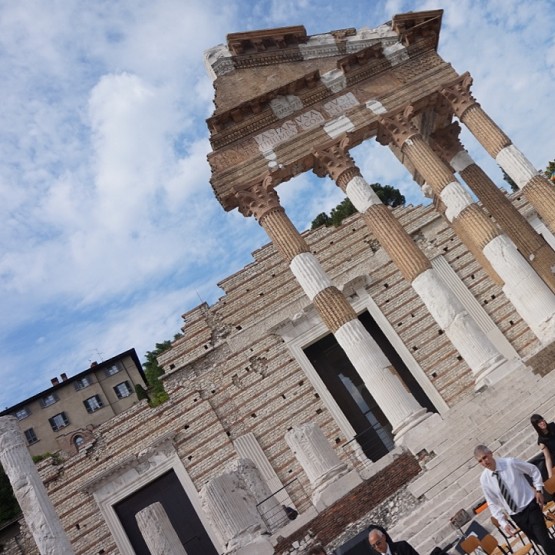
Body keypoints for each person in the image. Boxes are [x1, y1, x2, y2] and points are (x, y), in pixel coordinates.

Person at [474, 444, 555, 555]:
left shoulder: (509, 463)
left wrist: (539, 489)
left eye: (485, 457)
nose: (484, 462)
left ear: (490, 453)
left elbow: (533, 470)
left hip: (530, 506)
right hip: (516, 515)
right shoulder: (484, 480)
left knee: (544, 541)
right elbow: (492, 502)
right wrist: (502, 522)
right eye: (480, 461)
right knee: (539, 541)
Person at [531, 414, 555, 479]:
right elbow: (547, 458)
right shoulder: (541, 441)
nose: (542, 423)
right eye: (539, 423)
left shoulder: (553, 426)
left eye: (542, 420)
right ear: (536, 426)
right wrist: (550, 475)